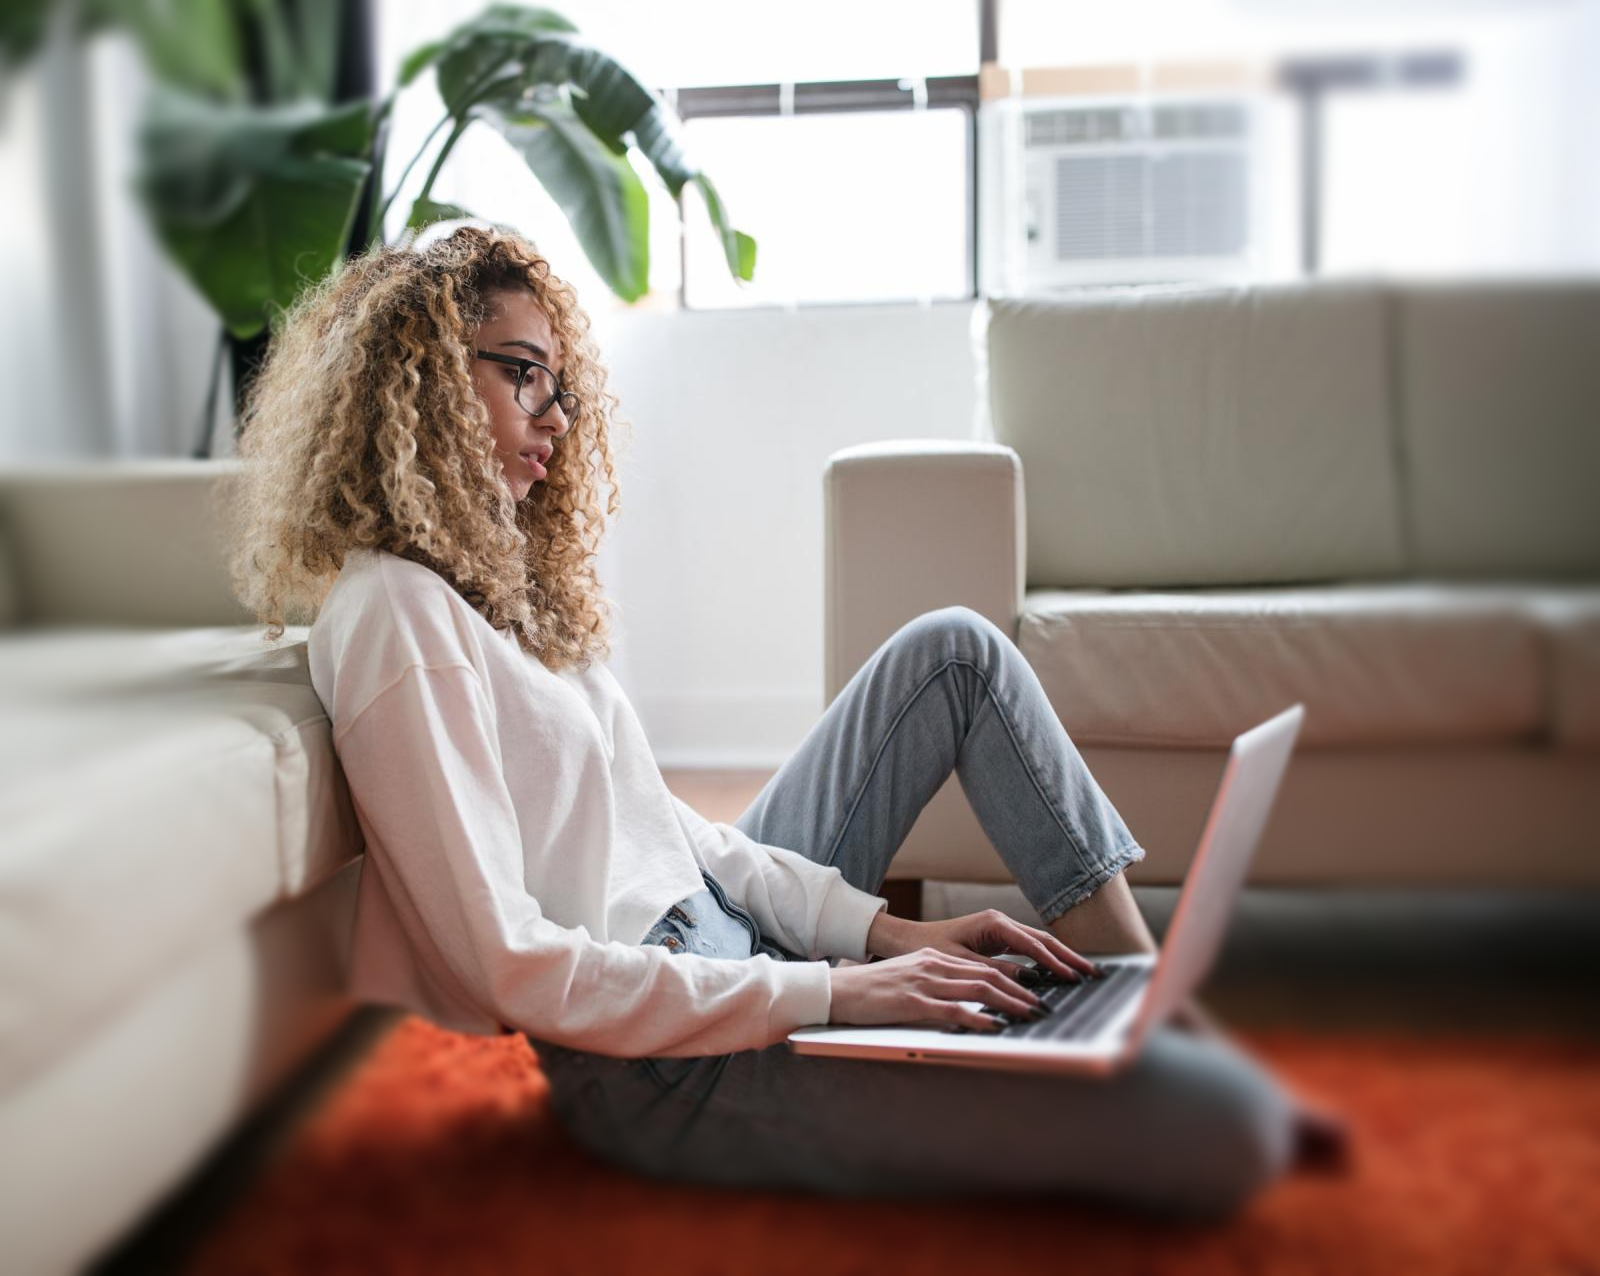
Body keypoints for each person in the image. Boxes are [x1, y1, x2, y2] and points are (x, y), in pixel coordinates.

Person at [223, 224, 1339, 1219]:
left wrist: (882, 934)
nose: (553, 418)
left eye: (559, 385)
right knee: (1221, 1131)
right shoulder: (393, 612)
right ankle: (1136, 1061)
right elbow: (514, 965)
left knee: (952, 648)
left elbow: (674, 832)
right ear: (416, 378)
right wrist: (835, 990)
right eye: (522, 375)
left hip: (726, 942)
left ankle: (1133, 1000)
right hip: (662, 1060)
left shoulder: (497, 588)